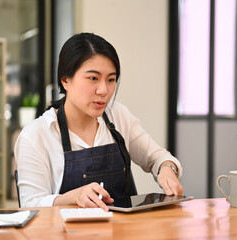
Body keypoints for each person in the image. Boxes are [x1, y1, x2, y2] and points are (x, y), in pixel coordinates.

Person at [14, 32, 183, 210]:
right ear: (65, 80)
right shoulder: (36, 135)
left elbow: (158, 158)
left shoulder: (118, 115)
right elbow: (30, 204)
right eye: (93, 78)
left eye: (111, 80)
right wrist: (72, 197)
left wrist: (167, 169)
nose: (103, 90)